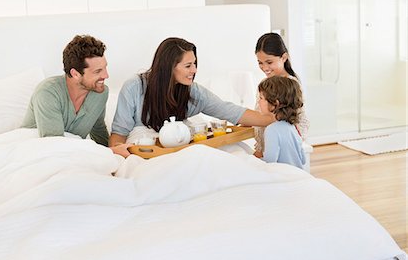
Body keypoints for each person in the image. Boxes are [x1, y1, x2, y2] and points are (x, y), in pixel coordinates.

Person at [110, 37, 275, 151]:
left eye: (194, 64)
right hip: (147, 152)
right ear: (169, 67)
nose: (194, 70)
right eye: (188, 65)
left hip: (180, 149)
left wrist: (272, 119)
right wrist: (119, 155)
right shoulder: (134, 87)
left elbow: (229, 111)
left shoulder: (193, 92)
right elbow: (119, 135)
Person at [22, 35, 131, 157]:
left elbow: (98, 130)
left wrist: (115, 155)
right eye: (98, 71)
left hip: (71, 156)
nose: (106, 75)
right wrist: (110, 152)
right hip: (34, 154)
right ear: (75, 74)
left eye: (105, 67)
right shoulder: (48, 93)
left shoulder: (100, 93)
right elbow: (53, 145)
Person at [253, 32, 309, 158]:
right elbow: (259, 112)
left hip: (281, 149)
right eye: (260, 63)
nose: (264, 67)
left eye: (269, 62)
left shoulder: (290, 84)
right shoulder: (264, 84)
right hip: (265, 147)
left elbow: (297, 120)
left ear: (284, 57)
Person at [258, 76, 306, 168]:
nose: (259, 102)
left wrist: (255, 161)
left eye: (261, 98)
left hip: (284, 178)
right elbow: (303, 159)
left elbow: (270, 162)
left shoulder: (272, 130)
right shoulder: (293, 126)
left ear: (275, 104)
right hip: (298, 174)